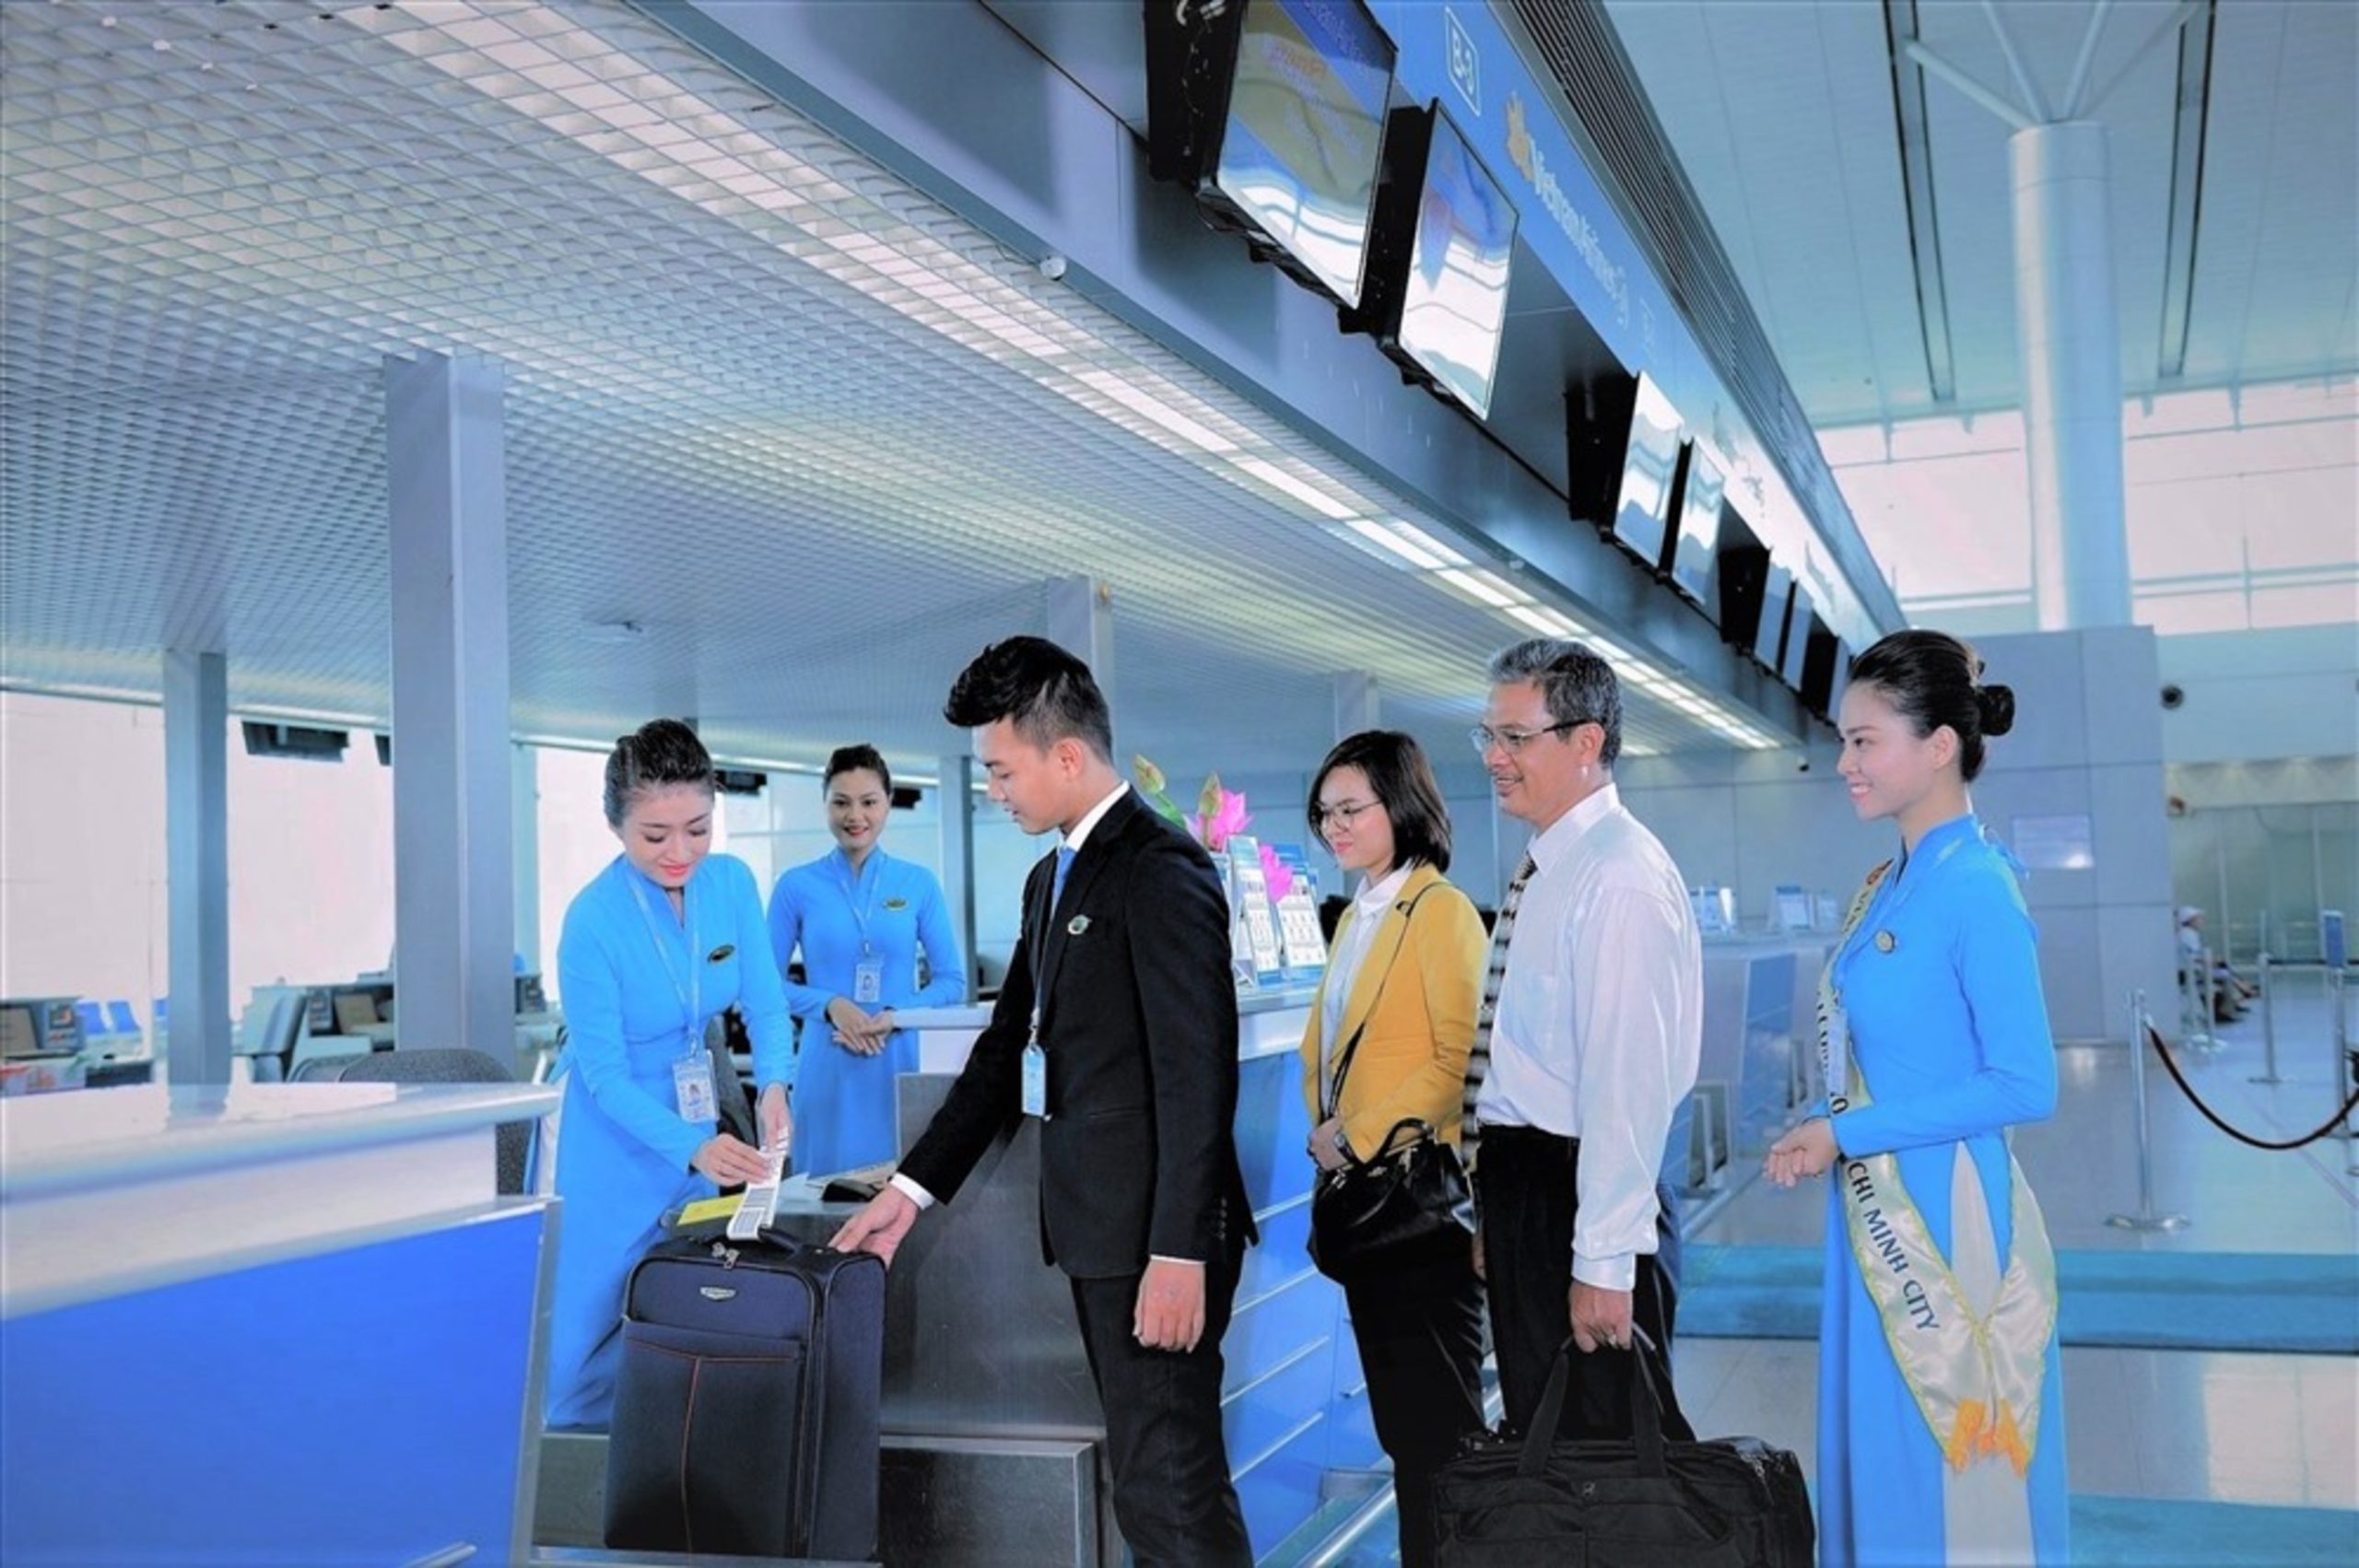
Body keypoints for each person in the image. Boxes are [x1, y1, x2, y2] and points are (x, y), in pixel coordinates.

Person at [830, 637, 1254, 1566]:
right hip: (1103, 1234)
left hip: (1155, 1241)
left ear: (1066, 755)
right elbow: (1001, 1055)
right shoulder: (1052, 875)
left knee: (1168, 1484)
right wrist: (908, 1191)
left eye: (1000, 769)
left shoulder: (1160, 868)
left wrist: (1179, 1249)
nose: (993, 789)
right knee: (1152, 1480)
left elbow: (1196, 1075)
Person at [1764, 629, 2067, 1566]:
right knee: (1885, 1454)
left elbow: (2025, 1082)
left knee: (1945, 1470)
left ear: (1939, 746)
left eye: (1865, 741)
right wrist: (1837, 1131)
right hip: (1876, 1199)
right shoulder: (1890, 883)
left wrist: (1847, 1130)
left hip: (1946, 1217)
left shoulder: (1975, 885)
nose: (1844, 763)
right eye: (1844, 741)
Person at [1462, 638, 1700, 1445]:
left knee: (1602, 1464)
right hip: (1534, 1189)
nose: (1493, 757)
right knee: (1548, 1443)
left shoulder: (1618, 877)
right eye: (1489, 735)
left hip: (1580, 1191)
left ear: (1586, 742)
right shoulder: (1554, 866)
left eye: (1514, 737)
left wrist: (1602, 1262)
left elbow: (1626, 1087)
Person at [539, 719, 793, 1429]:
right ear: (615, 825)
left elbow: (766, 1003)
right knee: (580, 1345)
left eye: (698, 829)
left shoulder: (732, 884)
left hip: (692, 1115)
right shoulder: (591, 921)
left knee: (682, 1305)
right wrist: (692, 1146)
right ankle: (572, 1477)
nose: (680, 852)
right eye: (655, 835)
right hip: (606, 1134)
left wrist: (776, 1084)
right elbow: (604, 1077)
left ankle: (668, 1464)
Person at [1297, 731, 1488, 1568]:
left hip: (1419, 1209)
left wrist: (1355, 1133)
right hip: (1370, 1212)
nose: (1334, 827)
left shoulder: (1439, 911)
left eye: (1351, 809)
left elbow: (1459, 1060)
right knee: (1407, 1434)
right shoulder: (1359, 913)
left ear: (1402, 806)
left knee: (1441, 1437)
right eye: (1324, 813)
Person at [768, 744, 968, 1176]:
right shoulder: (795, 886)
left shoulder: (918, 883)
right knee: (821, 1195)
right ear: (825, 804)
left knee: (900, 1192)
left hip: (897, 1060)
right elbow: (764, 986)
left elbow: (952, 981)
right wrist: (829, 1005)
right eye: (841, 802)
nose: (855, 816)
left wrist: (896, 1015)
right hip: (827, 1060)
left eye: (869, 802)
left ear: (888, 803)